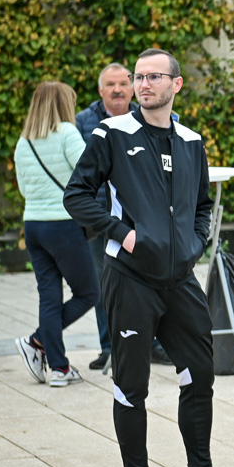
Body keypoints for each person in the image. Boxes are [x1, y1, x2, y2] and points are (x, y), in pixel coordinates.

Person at [64, 48, 234, 467]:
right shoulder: (112, 133)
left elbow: (203, 205)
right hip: (130, 279)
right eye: (138, 77)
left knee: (199, 376)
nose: (143, 84)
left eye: (153, 77)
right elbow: (77, 195)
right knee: (132, 386)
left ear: (176, 84)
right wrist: (123, 234)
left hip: (180, 277)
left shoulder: (192, 141)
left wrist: (193, 244)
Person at [13, 81, 100, 388]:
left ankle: (59, 368)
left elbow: (24, 189)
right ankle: (38, 342)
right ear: (64, 103)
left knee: (49, 296)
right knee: (90, 292)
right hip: (63, 225)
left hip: (33, 225)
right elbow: (88, 171)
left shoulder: (24, 142)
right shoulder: (67, 133)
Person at [75, 63, 138, 371]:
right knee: (104, 286)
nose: (117, 90)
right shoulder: (83, 122)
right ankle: (108, 346)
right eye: (110, 85)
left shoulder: (146, 117)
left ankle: (149, 344)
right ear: (100, 91)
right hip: (99, 220)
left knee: (146, 282)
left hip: (140, 218)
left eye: (123, 84)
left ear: (133, 88)